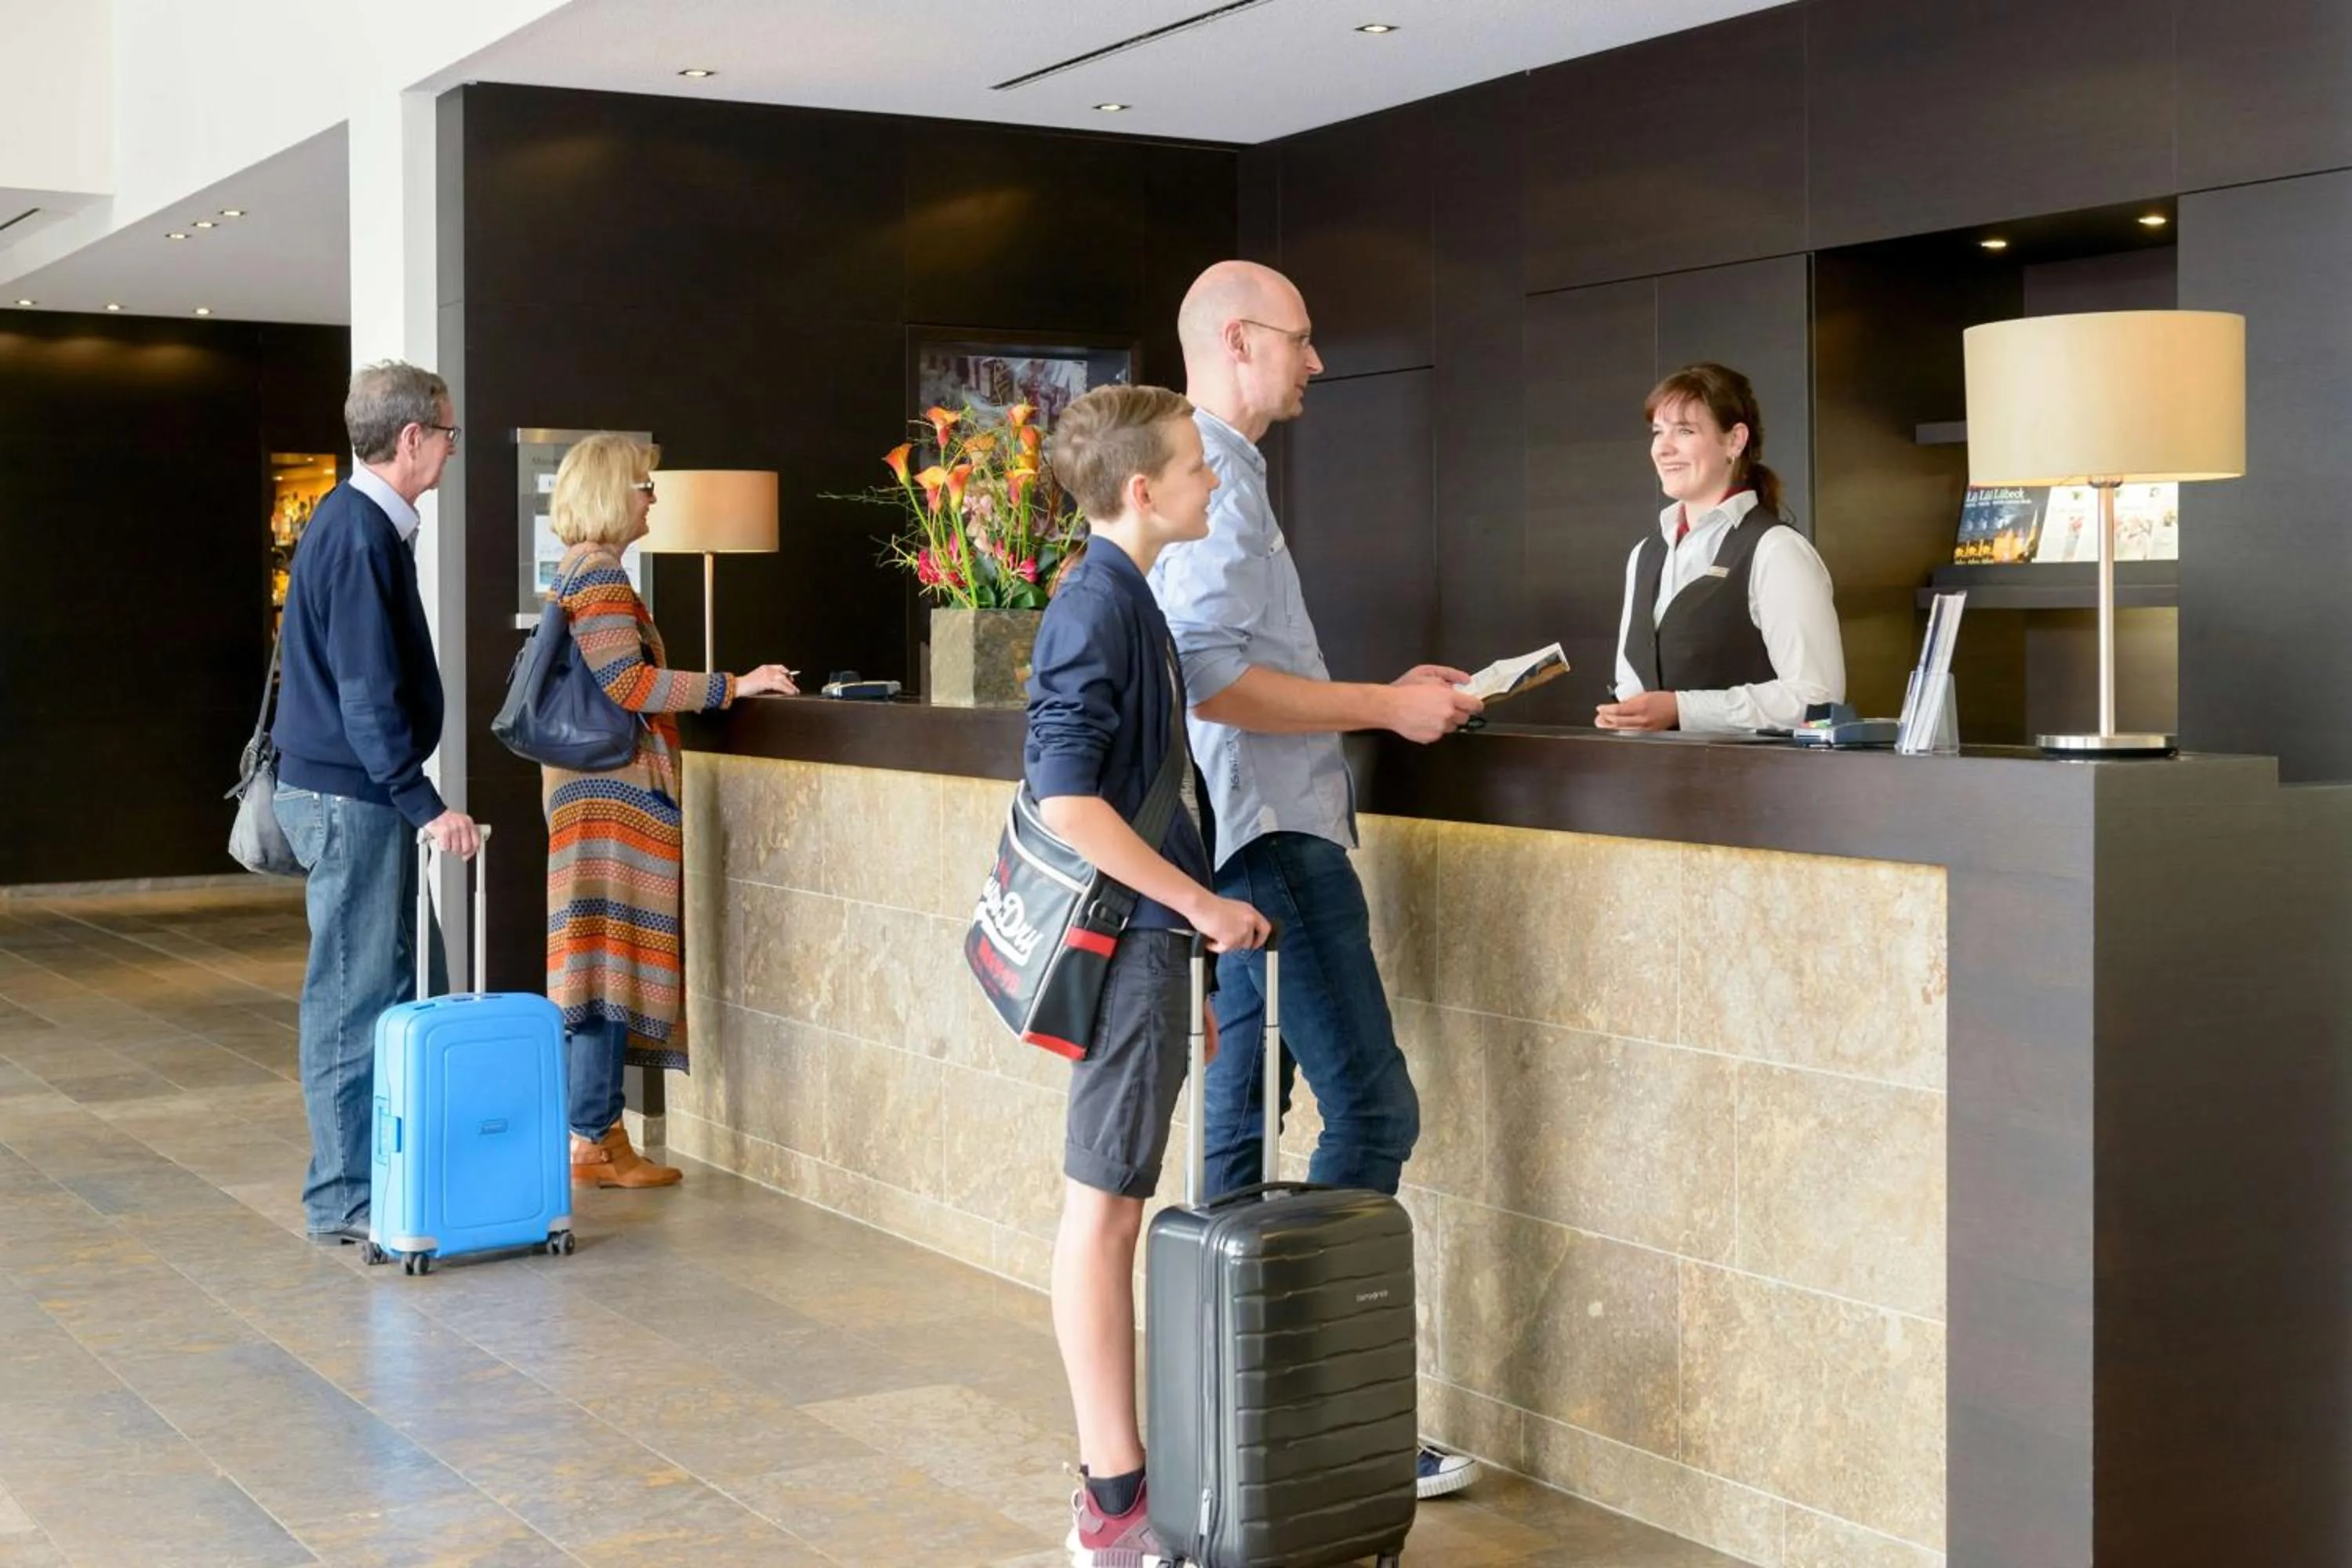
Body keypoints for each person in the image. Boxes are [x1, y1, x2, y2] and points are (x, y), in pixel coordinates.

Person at [1147, 260, 1486, 1500]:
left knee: (1236, 1131)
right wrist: (1386, 710)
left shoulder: (1196, 473)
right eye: (1300, 340)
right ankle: (1313, 1406)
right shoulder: (1219, 481)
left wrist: (1380, 699)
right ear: (1240, 341)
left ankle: (1228, 1412)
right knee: (1376, 1115)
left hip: (1238, 840)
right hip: (1275, 841)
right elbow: (1212, 675)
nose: (1317, 364)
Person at [1028, 386, 1272, 1565]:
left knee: (1112, 1207)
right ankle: (1111, 1501)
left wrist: (1198, 967)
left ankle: (1119, 1486)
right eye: (1194, 466)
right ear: (1142, 490)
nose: (1212, 480)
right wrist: (1199, 908)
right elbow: (1067, 797)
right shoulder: (1096, 608)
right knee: (1104, 1211)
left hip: (1151, 955)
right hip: (1128, 945)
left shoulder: (1127, 598)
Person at [539, 434, 797, 1188]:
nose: (654, 496)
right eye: (644, 484)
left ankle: (596, 1134)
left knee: (596, 962)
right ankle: (596, 1139)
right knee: (609, 964)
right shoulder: (602, 578)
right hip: (615, 799)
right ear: (612, 493)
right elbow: (628, 685)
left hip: (589, 796)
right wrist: (733, 685)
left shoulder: (580, 572)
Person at [272, 361, 478, 1245]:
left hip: (357, 797)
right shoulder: (358, 532)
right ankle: (345, 1199)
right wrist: (421, 800)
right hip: (355, 801)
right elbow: (364, 691)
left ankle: (375, 1182)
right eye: (448, 434)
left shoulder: (363, 524)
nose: (450, 449)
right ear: (411, 439)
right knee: (356, 1000)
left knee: (395, 985)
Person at [1597, 362, 1845, 734]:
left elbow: (1818, 699)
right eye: (1657, 431)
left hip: (1752, 786)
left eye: (1684, 430)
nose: (1663, 448)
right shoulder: (1645, 555)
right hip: (1654, 783)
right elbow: (1633, 683)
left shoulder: (1777, 551)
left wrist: (1684, 709)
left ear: (1735, 440)